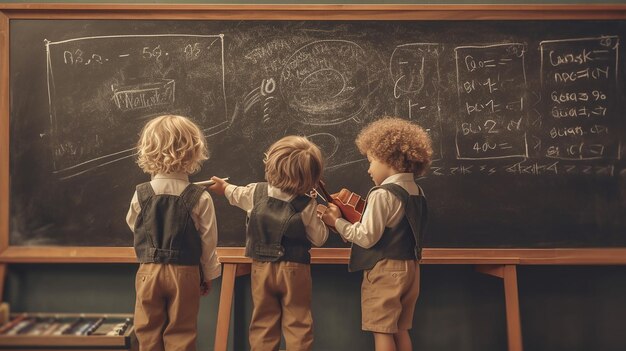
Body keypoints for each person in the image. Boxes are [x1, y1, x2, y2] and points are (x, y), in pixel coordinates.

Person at [321, 117, 432, 351]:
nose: (369, 169)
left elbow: (366, 236)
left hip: (386, 271)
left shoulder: (382, 194)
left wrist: (337, 221)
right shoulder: (416, 191)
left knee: (381, 330)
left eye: (370, 161)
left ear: (388, 158)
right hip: (411, 269)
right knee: (401, 329)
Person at [208, 135, 328, 351]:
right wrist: (323, 216)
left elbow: (235, 194)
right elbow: (319, 238)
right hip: (295, 269)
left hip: (262, 268)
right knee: (298, 323)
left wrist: (223, 187)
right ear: (311, 176)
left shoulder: (256, 192)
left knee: (264, 322)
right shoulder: (307, 204)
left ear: (272, 165)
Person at [126, 114, 221, 351]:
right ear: (193, 151)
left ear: (148, 149)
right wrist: (207, 273)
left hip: (149, 271)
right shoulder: (200, 197)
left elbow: (133, 224)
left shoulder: (141, 193)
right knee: (182, 333)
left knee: (147, 333)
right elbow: (208, 242)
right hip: (186, 273)